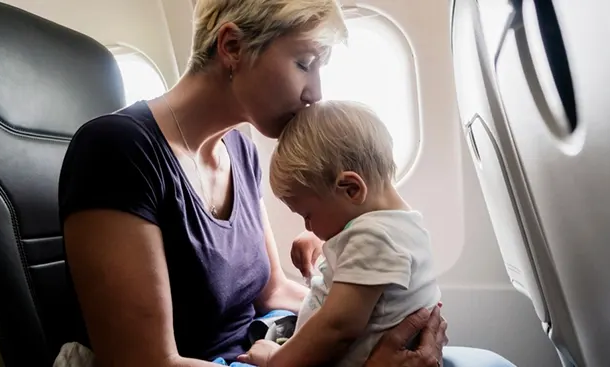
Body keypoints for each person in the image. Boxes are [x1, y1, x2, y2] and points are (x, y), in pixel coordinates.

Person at [57, 0, 516, 366]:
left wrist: (374, 307)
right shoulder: (117, 150)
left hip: (267, 346)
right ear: (232, 47)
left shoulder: (241, 151)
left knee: (490, 361)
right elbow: (144, 363)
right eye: (305, 62)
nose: (316, 91)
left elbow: (271, 291)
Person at [236, 100, 442, 367]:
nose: (308, 227)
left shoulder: (374, 239)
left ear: (351, 189)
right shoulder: (400, 226)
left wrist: (275, 361)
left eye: (307, 214)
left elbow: (337, 328)